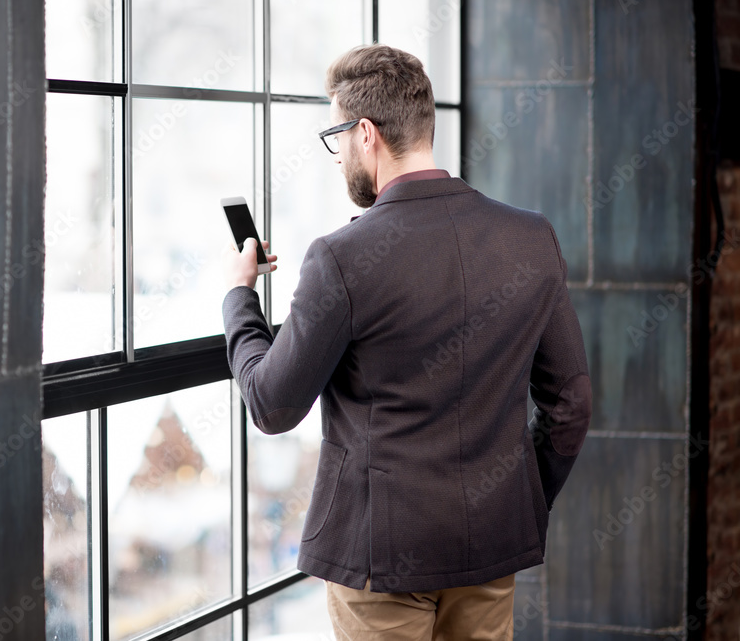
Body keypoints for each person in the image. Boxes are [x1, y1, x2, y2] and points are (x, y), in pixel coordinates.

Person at [220, 44, 592, 640]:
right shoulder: (530, 238)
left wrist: (240, 299)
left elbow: (272, 404)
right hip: (490, 544)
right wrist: (516, 499)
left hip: (380, 557)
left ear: (365, 133)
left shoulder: (342, 257)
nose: (337, 153)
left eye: (336, 136)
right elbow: (571, 405)